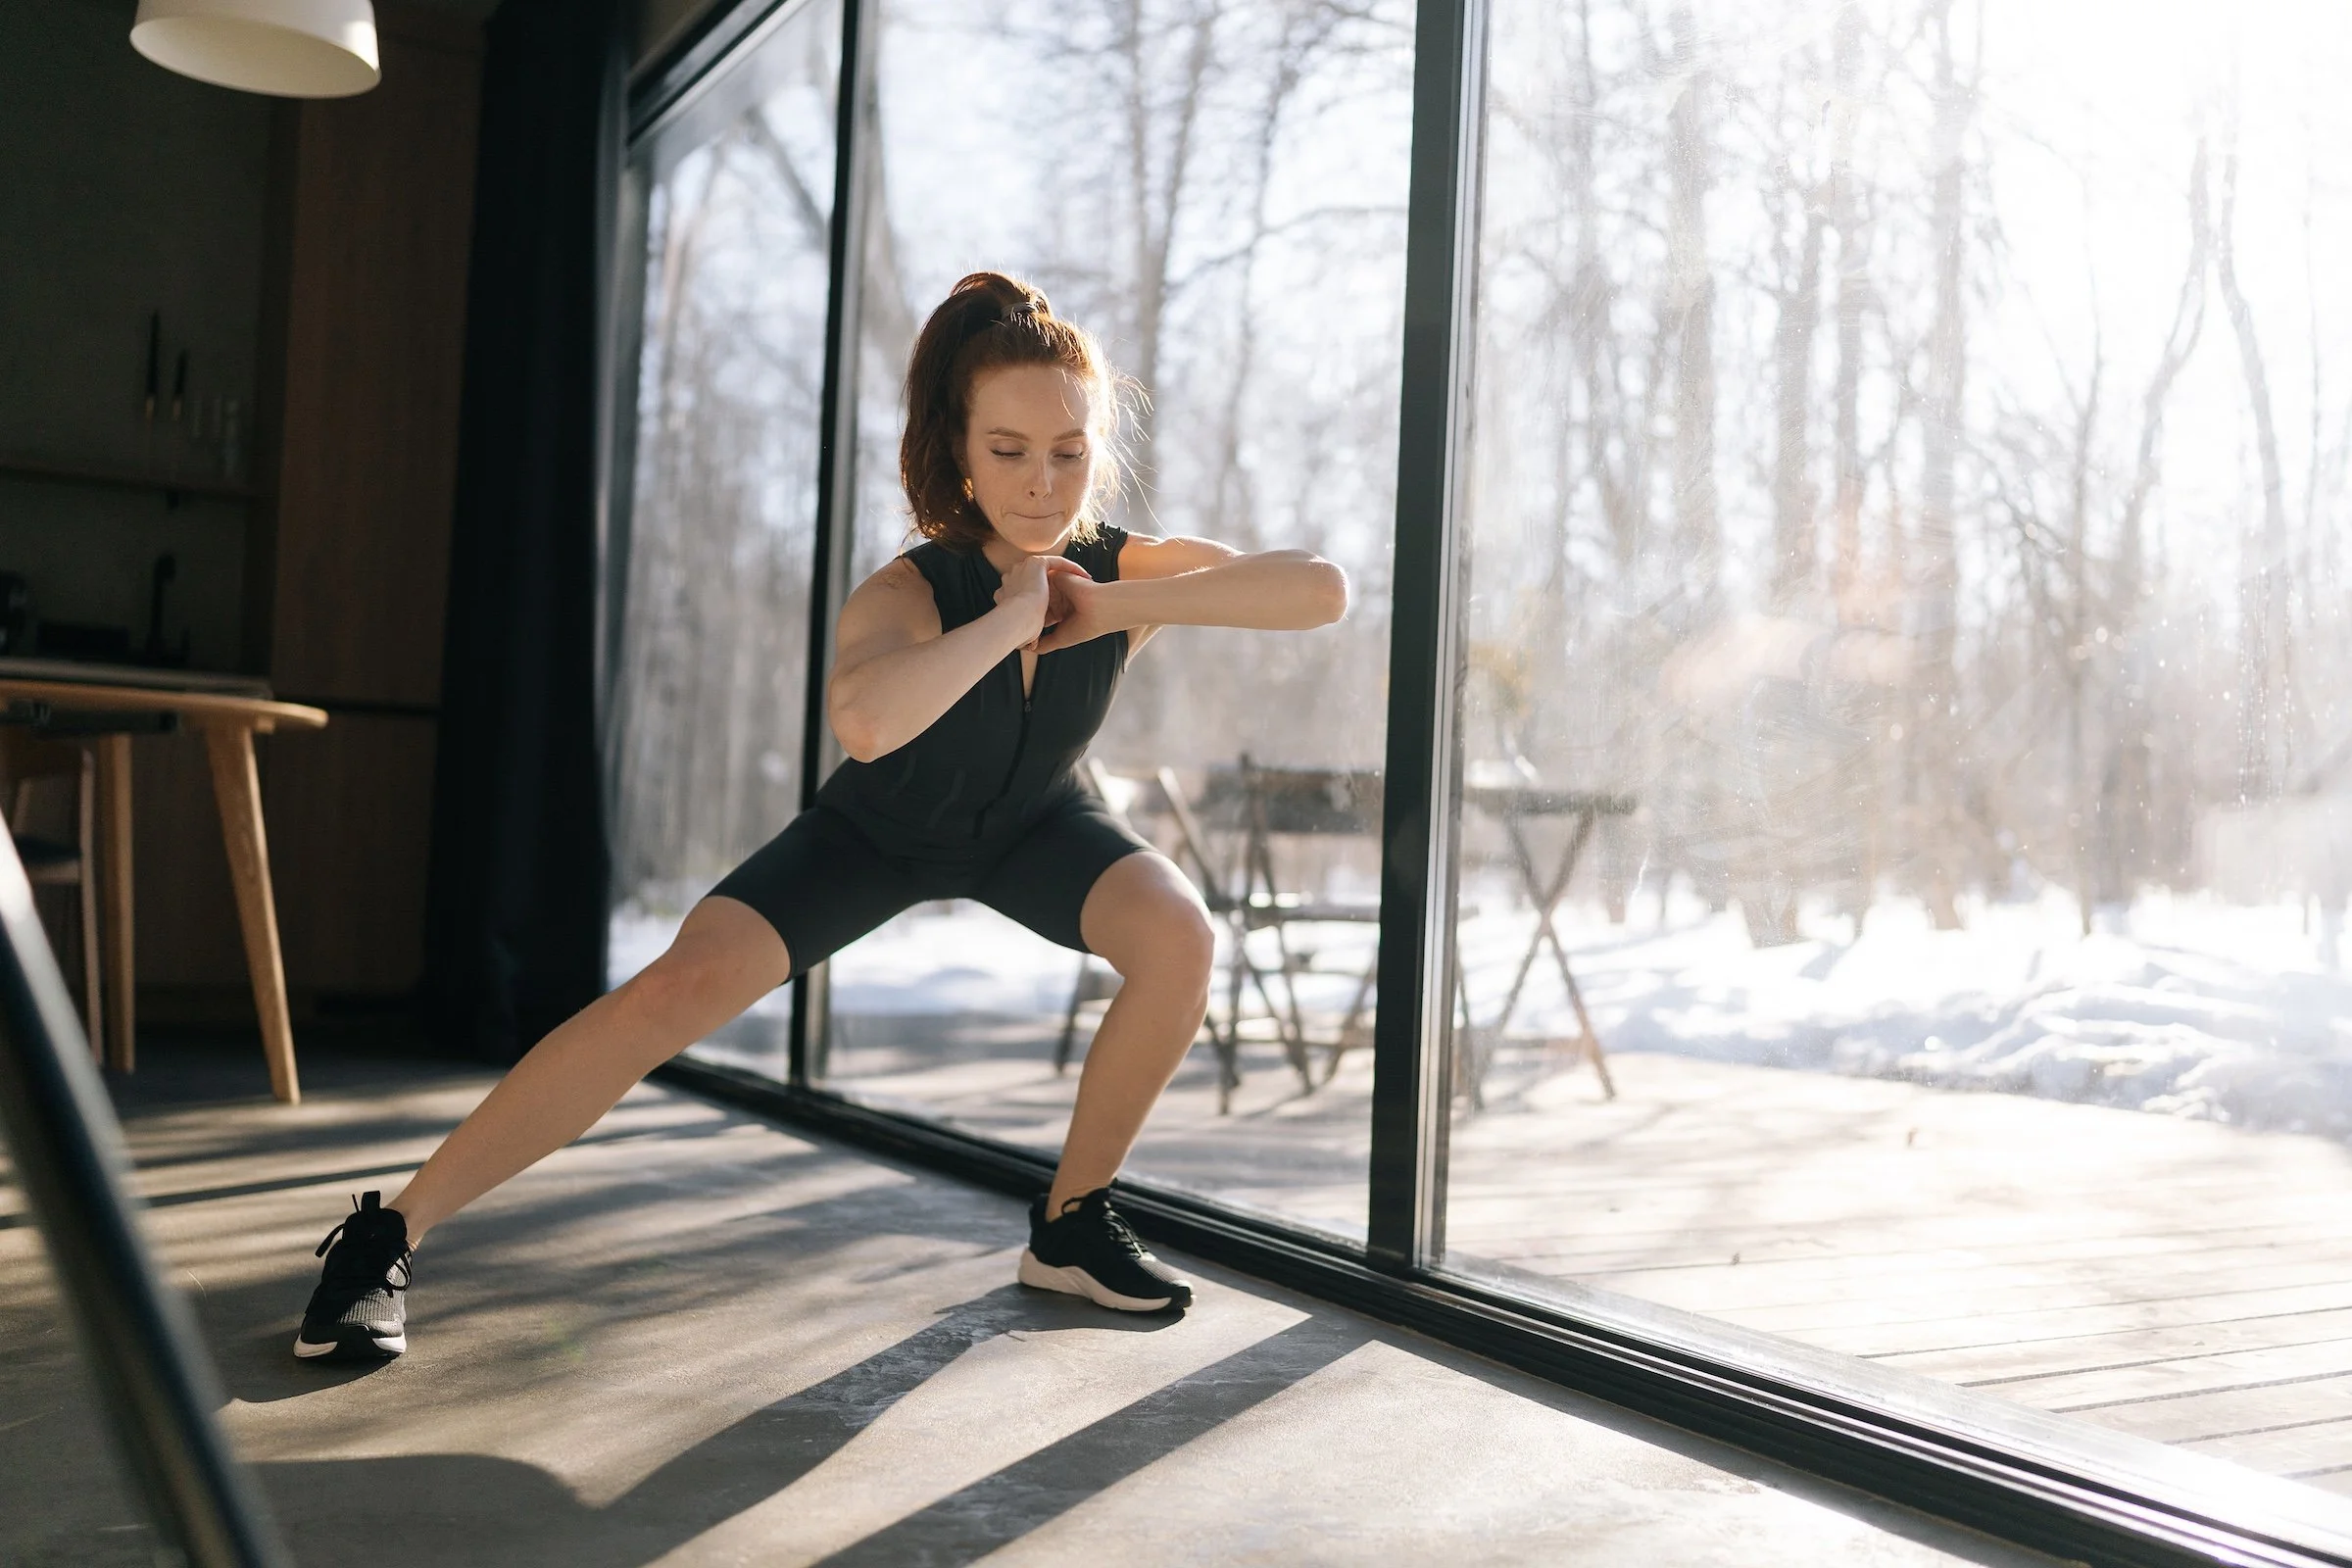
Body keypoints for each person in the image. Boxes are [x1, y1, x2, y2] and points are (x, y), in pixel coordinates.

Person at [294, 270, 1350, 1359]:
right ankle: (386, 1233)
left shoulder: (1115, 568)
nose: (1043, 483)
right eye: (1008, 449)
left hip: (1042, 826)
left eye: (1069, 451)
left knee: (1180, 936)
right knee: (671, 992)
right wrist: (1009, 621)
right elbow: (867, 723)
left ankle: (1070, 1223)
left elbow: (1318, 591)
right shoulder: (902, 592)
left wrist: (1108, 606)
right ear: (956, 448)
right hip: (875, 835)